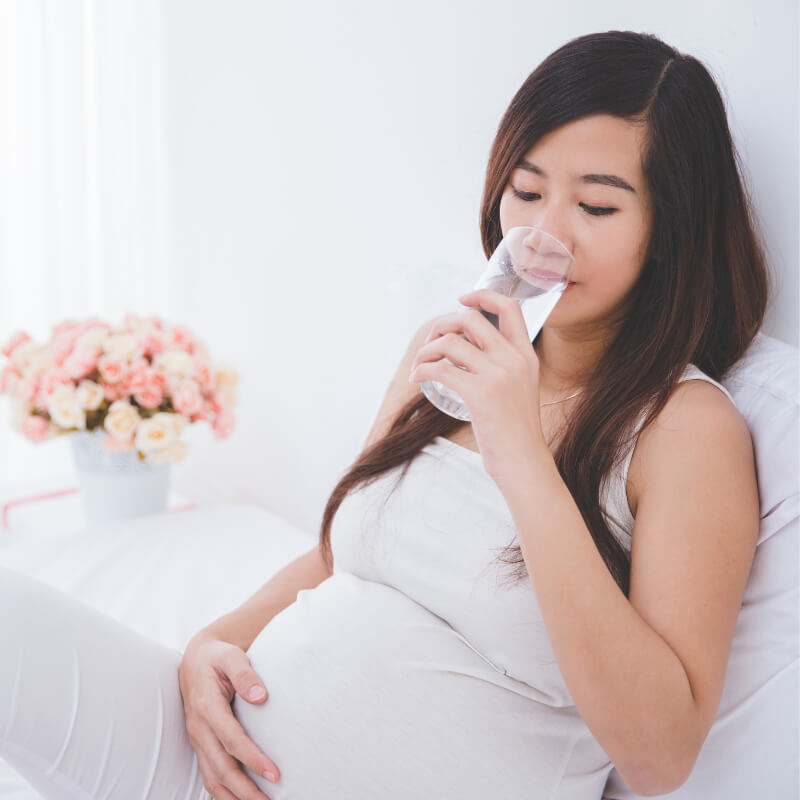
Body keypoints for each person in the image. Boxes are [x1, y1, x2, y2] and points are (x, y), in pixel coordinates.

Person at [0, 29, 767, 800]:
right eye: (526, 192)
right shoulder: (446, 350)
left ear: (669, 228)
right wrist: (215, 642)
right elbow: (339, 555)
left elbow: (659, 757)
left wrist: (523, 453)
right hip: (204, 768)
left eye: (596, 205)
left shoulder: (686, 429)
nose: (544, 236)